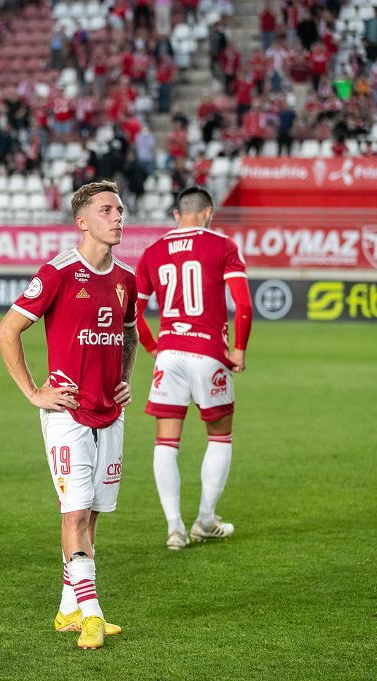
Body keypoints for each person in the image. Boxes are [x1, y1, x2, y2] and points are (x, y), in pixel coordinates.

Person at [0, 180, 138, 650]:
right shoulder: (58, 272)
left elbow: (131, 332)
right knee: (74, 511)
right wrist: (34, 392)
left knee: (93, 513)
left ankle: (67, 609)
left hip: (110, 411)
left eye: (119, 209)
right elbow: (7, 331)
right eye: (106, 210)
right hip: (68, 412)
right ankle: (93, 614)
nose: (118, 217)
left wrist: (125, 376)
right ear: (82, 221)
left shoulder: (126, 279)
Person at [133, 186, 252, 551]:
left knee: (166, 442)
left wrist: (155, 347)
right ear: (209, 213)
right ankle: (204, 520)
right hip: (208, 352)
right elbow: (244, 307)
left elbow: (132, 315)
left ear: (176, 215)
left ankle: (174, 528)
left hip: (169, 354)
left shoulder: (152, 252)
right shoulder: (223, 246)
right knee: (219, 436)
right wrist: (239, 350)